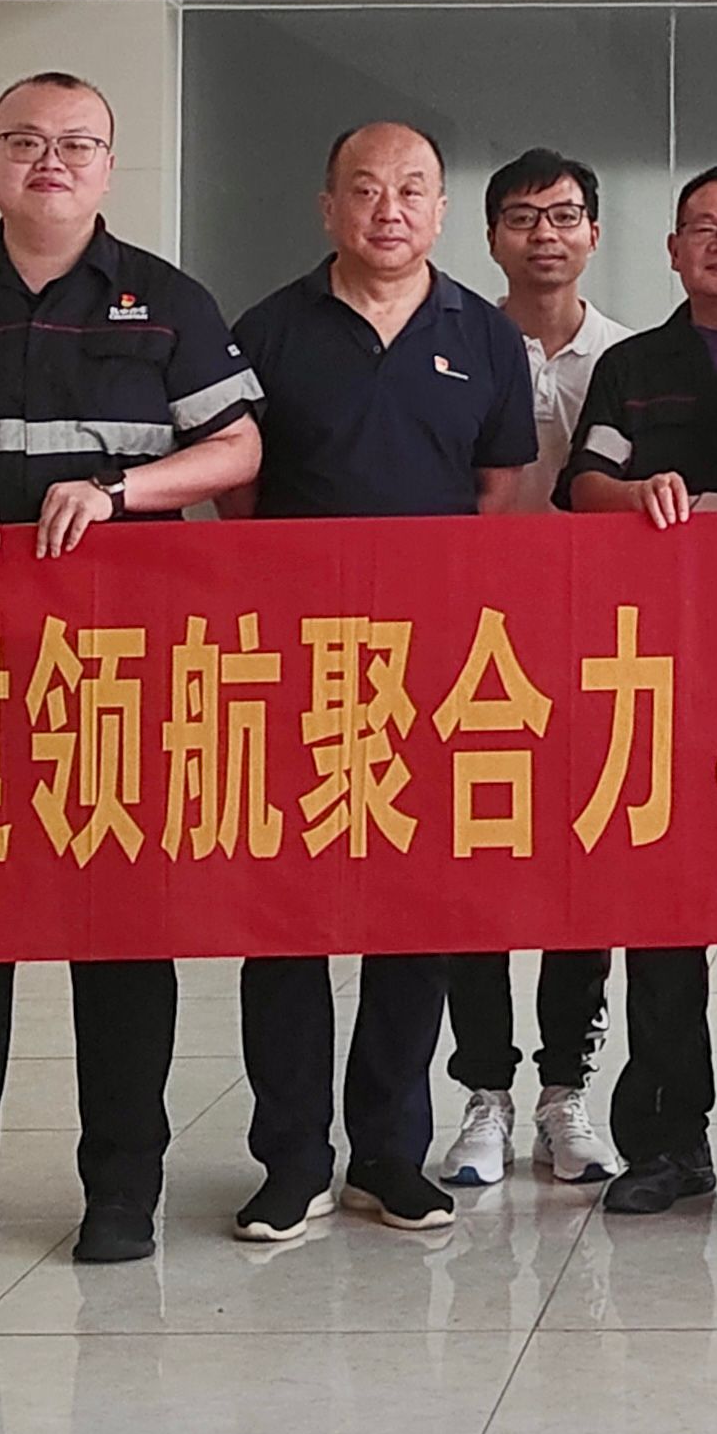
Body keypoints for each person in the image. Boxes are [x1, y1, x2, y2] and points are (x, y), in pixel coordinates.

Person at [0, 72, 263, 1267]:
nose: (50, 161)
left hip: (122, 670)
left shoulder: (166, 300)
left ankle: (122, 1186)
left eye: (76, 143)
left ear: (109, 165)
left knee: (120, 930)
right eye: (25, 141)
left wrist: (124, 492)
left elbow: (237, 446)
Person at [222, 123, 539, 1243]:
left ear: (442, 211)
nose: (388, 209)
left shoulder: (485, 336)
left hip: (434, 668)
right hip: (294, 665)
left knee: (417, 912)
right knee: (286, 917)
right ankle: (290, 1157)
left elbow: (496, 484)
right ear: (328, 207)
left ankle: (390, 1151)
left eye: (412, 190)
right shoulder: (268, 330)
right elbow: (241, 494)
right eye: (365, 189)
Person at [564, 164, 717, 1221]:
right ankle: (666, 1139)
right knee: (666, 910)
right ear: (671, 251)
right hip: (664, 664)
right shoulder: (634, 365)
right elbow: (582, 482)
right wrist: (634, 495)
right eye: (702, 227)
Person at [451, 146, 629, 1191]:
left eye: (564, 215)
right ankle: (484, 1088)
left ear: (593, 233)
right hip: (470, 644)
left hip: (590, 644)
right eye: (522, 217)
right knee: (471, 872)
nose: (545, 234)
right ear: (492, 238)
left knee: (581, 868)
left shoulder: (629, 356)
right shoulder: (457, 344)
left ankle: (567, 1087)